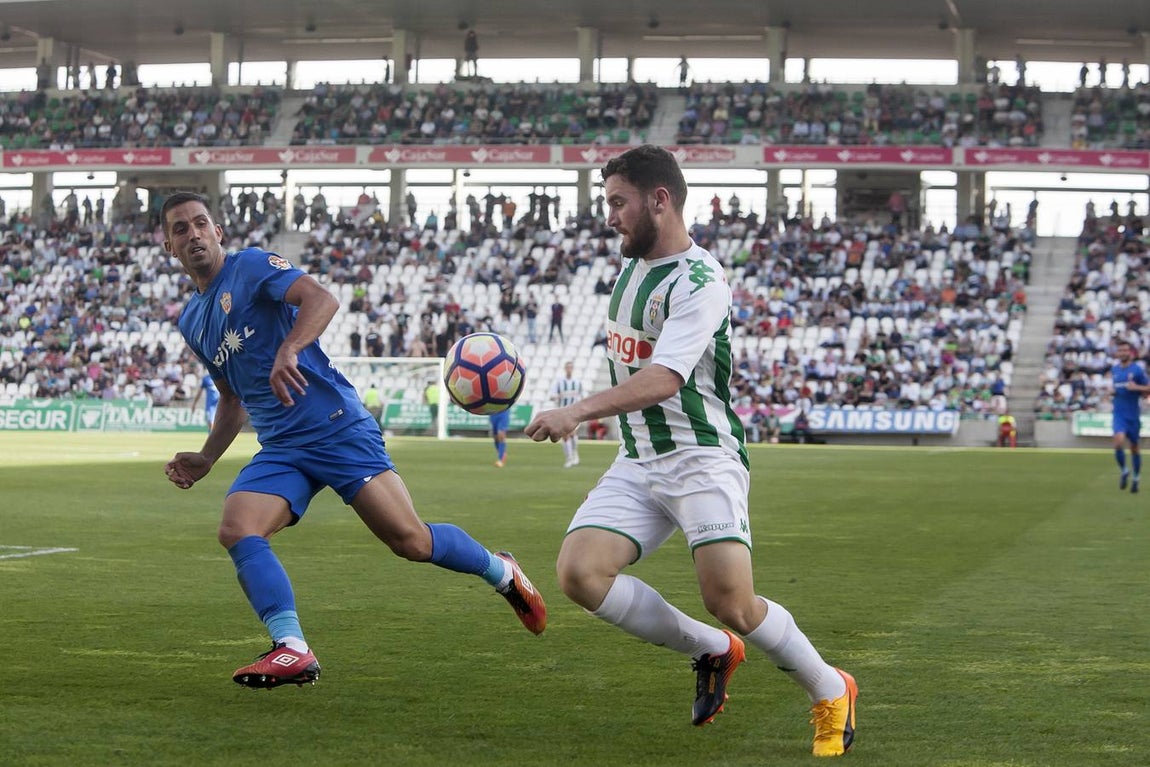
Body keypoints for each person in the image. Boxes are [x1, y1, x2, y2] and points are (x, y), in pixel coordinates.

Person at [525, 146, 856, 758]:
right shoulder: (631, 267)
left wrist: (575, 410)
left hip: (701, 456)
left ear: (660, 199)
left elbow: (665, 378)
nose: (611, 216)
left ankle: (831, 689)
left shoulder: (700, 280)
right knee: (579, 572)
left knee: (731, 600)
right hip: (639, 458)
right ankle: (710, 648)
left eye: (619, 202)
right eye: (607, 204)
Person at [160, 191, 546, 690]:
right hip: (282, 447)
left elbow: (322, 298)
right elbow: (231, 398)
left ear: (219, 232)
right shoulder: (192, 321)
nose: (192, 234)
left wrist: (291, 349)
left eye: (200, 223)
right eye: (179, 229)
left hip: (336, 426)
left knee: (410, 540)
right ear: (169, 246)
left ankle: (502, 571)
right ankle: (292, 649)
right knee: (237, 529)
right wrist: (209, 457)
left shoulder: (252, 267)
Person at [1110, 339, 1150, 493]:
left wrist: (1136, 387)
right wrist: (1112, 392)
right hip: (1119, 413)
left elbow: (1148, 388)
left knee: (1134, 448)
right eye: (1120, 351)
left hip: (1133, 414)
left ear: (1130, 353)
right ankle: (1125, 471)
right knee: (1118, 442)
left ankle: (1136, 478)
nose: (1122, 353)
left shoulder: (1137, 370)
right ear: (1117, 353)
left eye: (1125, 350)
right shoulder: (1115, 370)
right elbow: (1116, 388)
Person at [550, 361, 584, 468]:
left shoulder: (577, 382)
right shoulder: (559, 382)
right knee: (565, 435)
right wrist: (556, 397)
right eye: (567, 367)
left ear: (572, 369)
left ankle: (574, 453)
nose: (569, 369)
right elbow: (552, 396)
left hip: (574, 413)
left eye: (571, 367)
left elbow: (581, 397)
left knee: (572, 434)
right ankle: (569, 458)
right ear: (565, 369)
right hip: (562, 413)